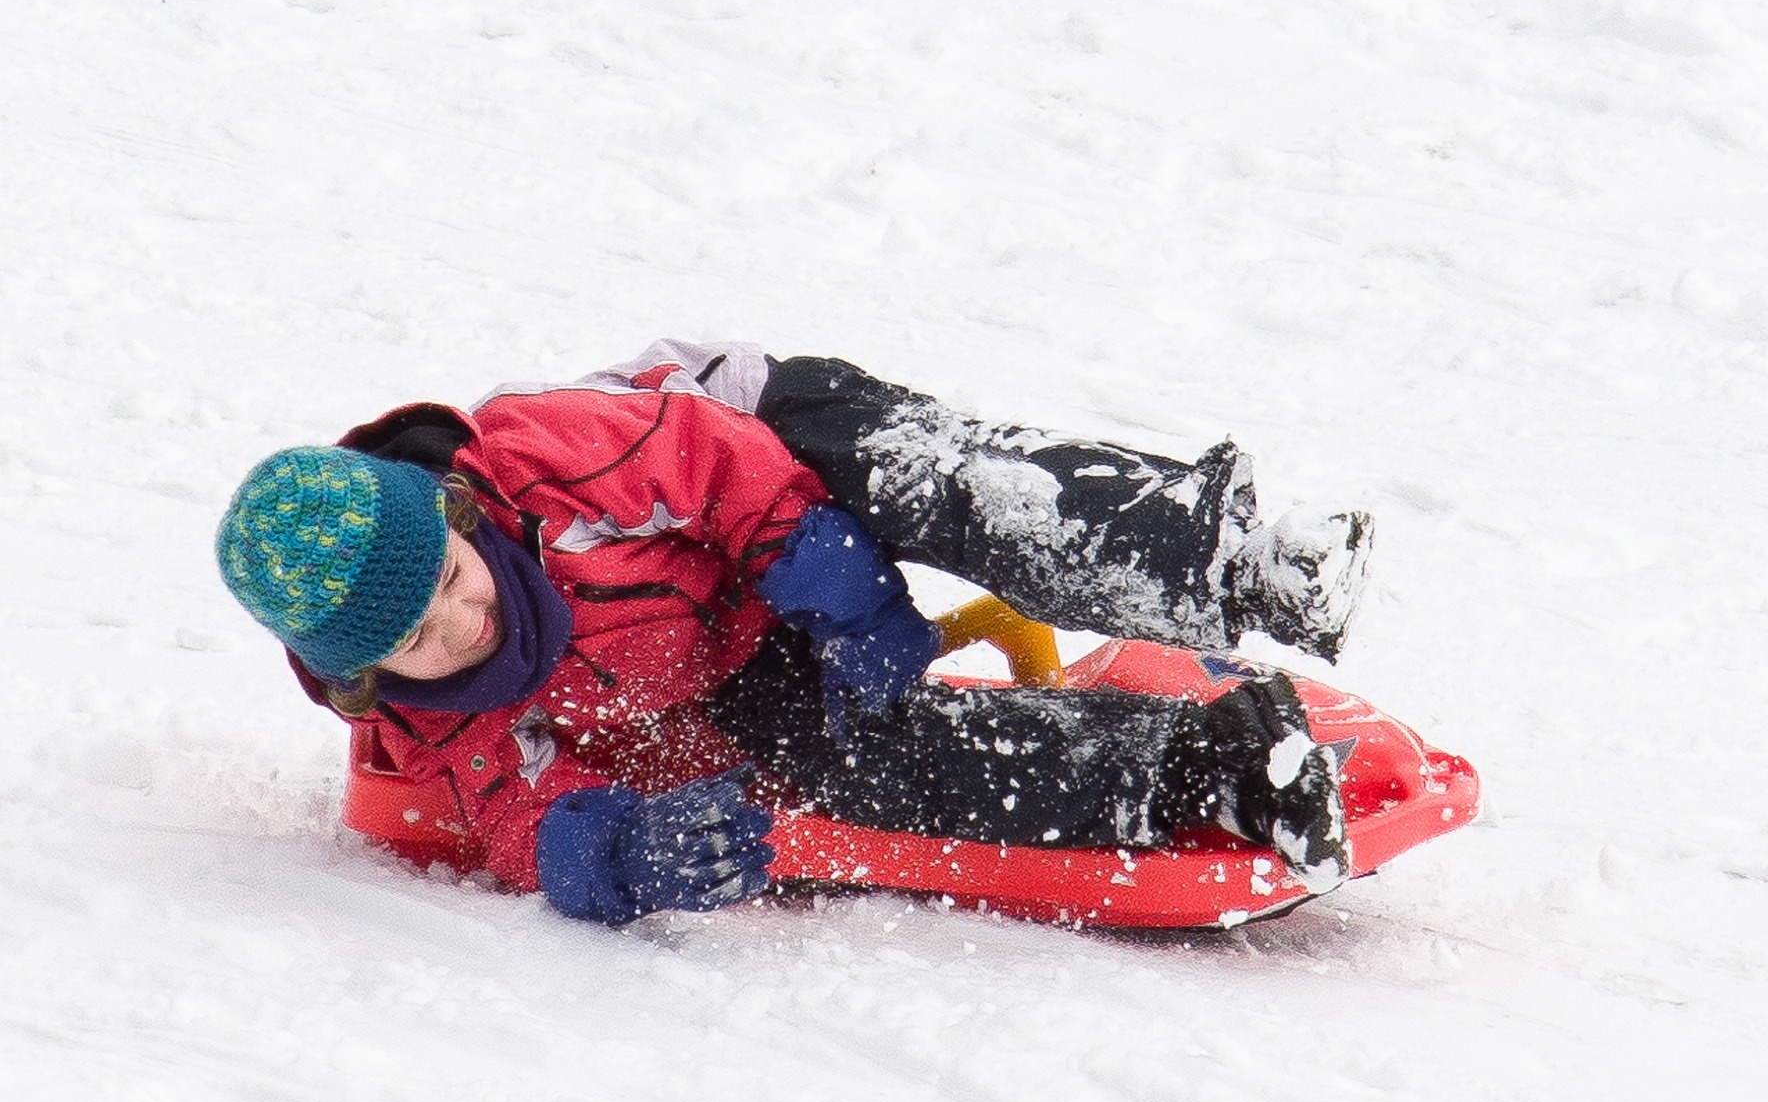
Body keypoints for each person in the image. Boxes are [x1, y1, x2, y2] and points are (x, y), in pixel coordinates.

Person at [215, 339, 1370, 926]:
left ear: (460, 514)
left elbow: (723, 469)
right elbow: (518, 812)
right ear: (367, 678)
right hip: (727, 648)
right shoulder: (434, 714)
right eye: (418, 638)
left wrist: (851, 596)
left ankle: (1231, 557)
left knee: (929, 483)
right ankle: (1220, 759)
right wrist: (615, 854)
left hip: (758, 442)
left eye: (455, 577)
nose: (465, 620)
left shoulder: (549, 459)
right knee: (856, 764)